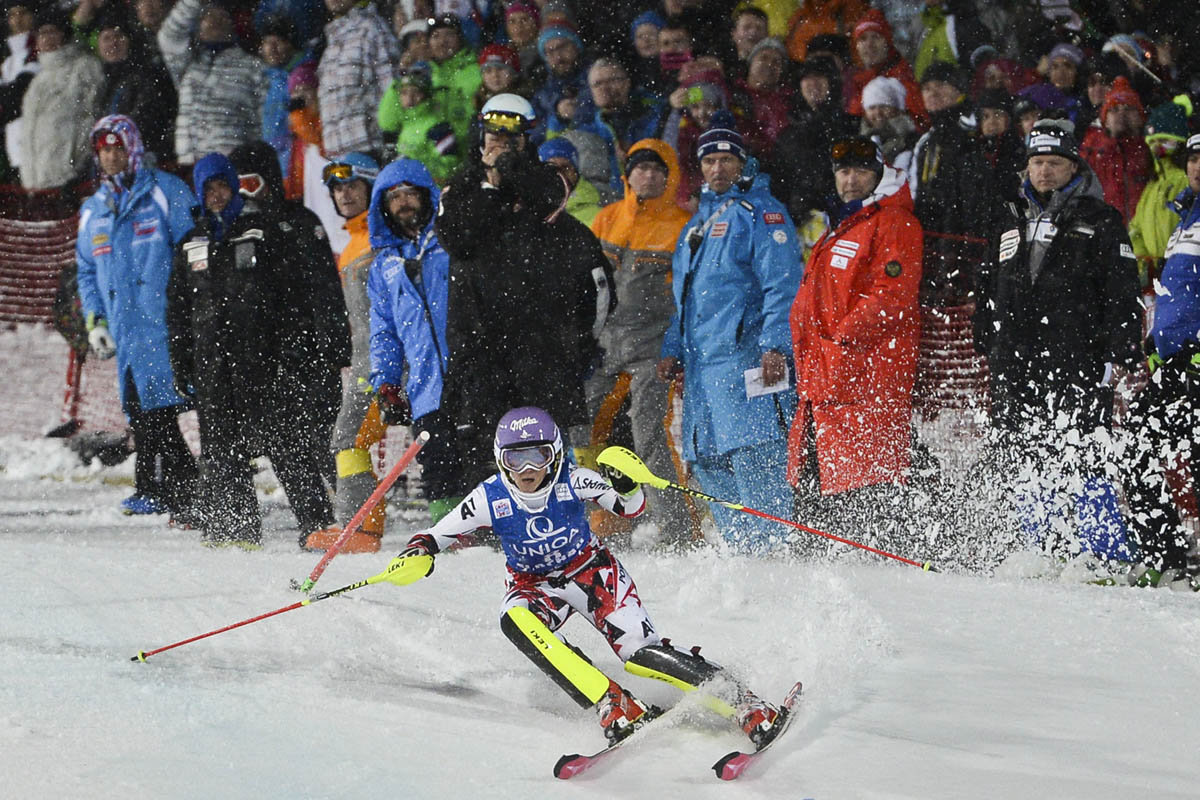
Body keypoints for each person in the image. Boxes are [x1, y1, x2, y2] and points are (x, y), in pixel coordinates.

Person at [380, 406, 785, 746]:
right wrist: (418, 553)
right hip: (534, 585)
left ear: (554, 454)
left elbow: (631, 509)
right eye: (514, 458)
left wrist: (627, 488)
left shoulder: (574, 479)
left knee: (639, 655)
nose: (526, 469)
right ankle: (613, 701)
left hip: (593, 574)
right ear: (500, 458)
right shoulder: (490, 497)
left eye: (536, 456)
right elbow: (435, 535)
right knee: (514, 618)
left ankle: (744, 702)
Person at [973, 120, 1142, 565]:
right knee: (1025, 449)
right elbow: (987, 280)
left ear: (1073, 167)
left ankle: (1103, 553)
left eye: (1053, 163)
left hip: (1077, 356)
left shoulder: (1100, 218)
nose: (1044, 171)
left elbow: (1121, 290)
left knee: (1085, 448)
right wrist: (985, 334)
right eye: (1036, 162)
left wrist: (1120, 349)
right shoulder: (1009, 215)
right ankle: (1041, 549)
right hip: (1016, 358)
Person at [436, 93, 613, 487]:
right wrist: (490, 185)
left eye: (510, 136)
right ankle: (492, 534)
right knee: (485, 446)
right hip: (480, 342)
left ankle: (559, 523)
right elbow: (458, 238)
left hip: (539, 345)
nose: (499, 142)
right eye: (492, 134)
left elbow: (551, 201)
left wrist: (512, 169)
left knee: (543, 441)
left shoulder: (541, 177)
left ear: (526, 137)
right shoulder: (462, 185)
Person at [166, 152, 336, 549]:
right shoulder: (191, 242)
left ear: (234, 186)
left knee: (287, 443)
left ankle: (316, 524)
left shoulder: (264, 232)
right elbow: (177, 313)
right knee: (221, 448)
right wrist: (183, 363)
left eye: (222, 186)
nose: (216, 195)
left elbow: (293, 300)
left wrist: (294, 353)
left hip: (264, 362)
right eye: (208, 189)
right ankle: (232, 528)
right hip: (213, 367)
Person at [657, 117, 803, 552]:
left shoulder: (762, 212)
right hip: (702, 370)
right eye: (710, 160)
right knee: (709, 459)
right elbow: (686, 301)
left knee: (757, 453)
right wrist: (671, 347)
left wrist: (775, 344)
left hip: (748, 361)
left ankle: (777, 551)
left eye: (727, 159)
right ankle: (743, 557)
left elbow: (783, 283)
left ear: (742, 163)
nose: (718, 168)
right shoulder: (694, 226)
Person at [786, 136, 923, 555]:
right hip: (825, 385)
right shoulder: (842, 225)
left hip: (865, 383)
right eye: (843, 171)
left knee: (867, 490)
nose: (850, 178)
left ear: (879, 174)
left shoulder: (894, 222)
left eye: (861, 170)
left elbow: (893, 297)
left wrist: (839, 343)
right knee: (822, 490)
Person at [75, 115, 199, 517]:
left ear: (133, 149)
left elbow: (193, 250)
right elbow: (87, 270)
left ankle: (186, 488)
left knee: (160, 410)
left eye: (118, 148)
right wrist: (96, 321)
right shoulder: (95, 208)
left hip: (165, 325)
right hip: (125, 329)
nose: (111, 157)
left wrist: (192, 312)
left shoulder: (164, 191)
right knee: (141, 408)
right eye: (104, 150)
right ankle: (157, 487)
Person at [587, 138, 694, 544]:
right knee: (586, 432)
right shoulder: (606, 219)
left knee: (649, 434)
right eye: (639, 168)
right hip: (604, 345)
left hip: (654, 347)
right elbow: (587, 284)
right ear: (626, 175)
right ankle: (606, 521)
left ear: (669, 175)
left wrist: (674, 348)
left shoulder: (682, 225)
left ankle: (679, 529)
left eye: (656, 168)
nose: (647, 175)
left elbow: (687, 297)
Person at [366, 157, 470, 526]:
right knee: (438, 469)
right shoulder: (384, 266)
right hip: (426, 386)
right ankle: (453, 540)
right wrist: (387, 381)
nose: (403, 202)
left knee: (480, 459)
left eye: (410, 193)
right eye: (394, 197)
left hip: (471, 373)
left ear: (426, 196)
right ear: (383, 206)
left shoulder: (452, 242)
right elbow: (384, 332)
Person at [1119, 133, 1200, 589]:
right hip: (1175, 363)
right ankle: (1163, 557)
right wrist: (1155, 344)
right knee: (1136, 449)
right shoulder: (1186, 214)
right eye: (1193, 158)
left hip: (1197, 363)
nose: (1197, 166)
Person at [302, 153, 389, 553]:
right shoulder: (355, 241)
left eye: (352, 185)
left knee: (348, 439)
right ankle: (360, 525)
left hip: (384, 363)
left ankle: (361, 528)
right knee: (347, 440)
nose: (344, 194)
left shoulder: (379, 238)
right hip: (366, 361)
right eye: (337, 188)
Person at [157, 0, 267, 165]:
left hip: (232, 164)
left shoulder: (252, 66)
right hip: (190, 164)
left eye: (223, 17)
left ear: (232, 25)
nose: (216, 21)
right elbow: (168, 37)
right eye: (209, 16)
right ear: (198, 25)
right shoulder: (188, 62)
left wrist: (257, 161)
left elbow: (264, 119)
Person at [19, 9, 104, 189]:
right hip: (37, 183)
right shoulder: (37, 82)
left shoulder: (84, 67)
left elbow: (91, 117)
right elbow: (28, 134)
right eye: (42, 33)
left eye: (52, 32)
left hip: (70, 178)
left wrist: (75, 166)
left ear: (64, 34)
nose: (47, 38)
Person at [317, 0, 401, 158]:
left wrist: (389, 146)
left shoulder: (373, 28)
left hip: (372, 152)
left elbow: (393, 91)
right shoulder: (332, 40)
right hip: (337, 157)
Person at [1079, 76, 1150, 225]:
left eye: (1129, 108)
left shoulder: (1151, 150)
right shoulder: (1091, 150)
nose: (1121, 114)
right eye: (1114, 109)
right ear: (1105, 119)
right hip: (1107, 231)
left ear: (1140, 116)